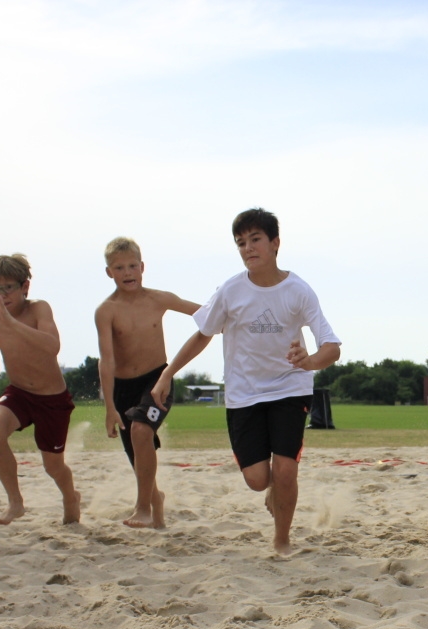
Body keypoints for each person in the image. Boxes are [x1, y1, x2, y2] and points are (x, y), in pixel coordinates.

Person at [151, 208, 341, 554]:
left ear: (275, 243)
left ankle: (281, 541)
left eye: (255, 240)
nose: (248, 248)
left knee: (285, 470)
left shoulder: (299, 290)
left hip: (290, 387)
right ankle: (272, 492)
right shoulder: (230, 291)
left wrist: (309, 361)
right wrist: (167, 372)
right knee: (258, 480)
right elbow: (202, 334)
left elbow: (332, 347)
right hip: (244, 394)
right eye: (241, 243)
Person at [95, 237, 200, 528]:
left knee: (141, 431)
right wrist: (109, 407)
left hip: (157, 381)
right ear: (109, 272)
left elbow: (205, 314)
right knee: (137, 458)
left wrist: (236, 312)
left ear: (142, 267)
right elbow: (106, 360)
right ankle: (156, 508)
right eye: (119, 267)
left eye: (132, 266)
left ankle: (142, 508)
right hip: (122, 388)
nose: (127, 272)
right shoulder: (106, 311)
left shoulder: (160, 299)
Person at [0, 254, 80, 525]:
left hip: (51, 398)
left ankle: (70, 497)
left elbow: (52, 346)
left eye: (8, 287)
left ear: (25, 287)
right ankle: (15, 502)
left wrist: (11, 323)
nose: (2, 294)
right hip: (19, 392)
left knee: (53, 466)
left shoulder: (38, 309)